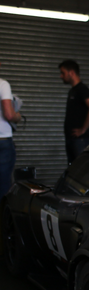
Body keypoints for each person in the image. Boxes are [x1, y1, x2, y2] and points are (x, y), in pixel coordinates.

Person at [59, 60, 89, 164]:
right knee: (74, 170)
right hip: (72, 139)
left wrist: (83, 130)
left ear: (71, 73)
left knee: (83, 169)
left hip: (80, 141)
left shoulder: (82, 89)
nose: (61, 76)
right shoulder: (72, 91)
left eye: (63, 73)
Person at [0, 61, 22, 199]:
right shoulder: (3, 84)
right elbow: (9, 115)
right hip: (2, 142)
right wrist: (18, 116)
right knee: (3, 186)